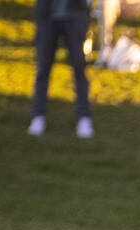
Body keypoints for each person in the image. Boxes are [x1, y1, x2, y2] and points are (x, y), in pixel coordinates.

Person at [28, 0, 93, 139]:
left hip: (76, 15)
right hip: (47, 14)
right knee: (43, 67)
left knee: (79, 67)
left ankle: (84, 117)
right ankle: (38, 116)